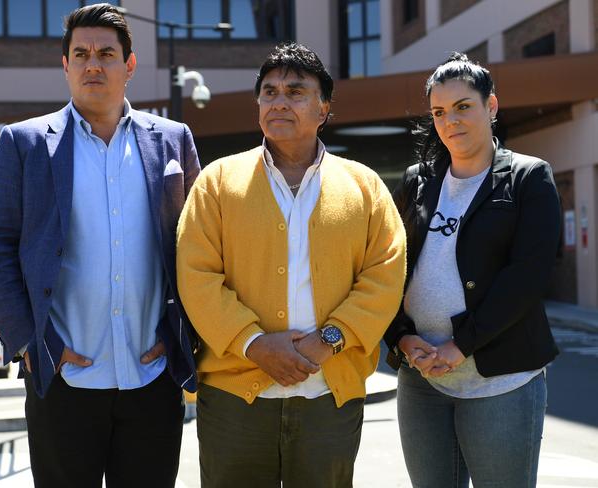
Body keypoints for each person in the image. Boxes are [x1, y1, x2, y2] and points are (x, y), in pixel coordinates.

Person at [0, 4, 200, 487]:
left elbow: (198, 245)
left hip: (152, 375)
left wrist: (182, 335)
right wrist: (28, 343)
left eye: (105, 53)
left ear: (130, 65)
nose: (92, 64)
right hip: (62, 379)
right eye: (80, 53)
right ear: (65, 65)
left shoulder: (172, 141)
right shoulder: (26, 143)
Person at [176, 42, 406, 488]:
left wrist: (329, 340)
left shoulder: (364, 186)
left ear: (323, 109)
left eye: (296, 91)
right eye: (269, 91)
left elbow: (385, 273)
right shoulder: (218, 182)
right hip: (234, 398)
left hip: (329, 396)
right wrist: (254, 344)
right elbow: (196, 274)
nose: (279, 101)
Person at [384, 52, 561, 488]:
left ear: (492, 106)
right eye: (439, 112)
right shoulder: (418, 180)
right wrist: (401, 337)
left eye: (463, 106)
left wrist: (461, 345)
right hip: (422, 377)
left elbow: (529, 275)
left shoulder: (528, 177)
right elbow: (386, 266)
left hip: (501, 380)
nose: (450, 121)